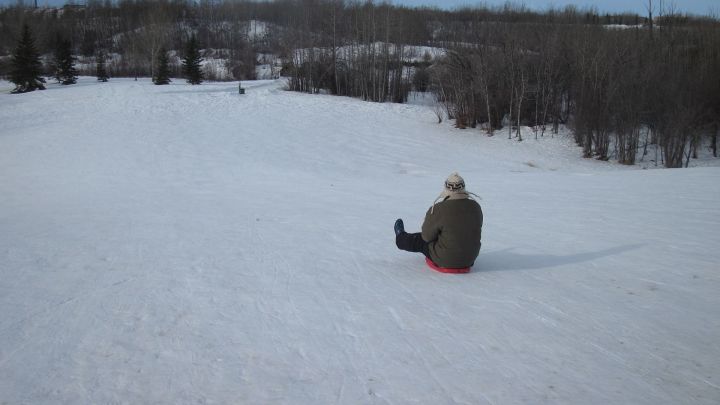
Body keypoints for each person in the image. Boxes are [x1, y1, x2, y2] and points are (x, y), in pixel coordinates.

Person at [395, 172, 483, 269]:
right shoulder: (476, 207)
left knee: (419, 240)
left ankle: (400, 237)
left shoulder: (439, 209)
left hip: (446, 259)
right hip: (470, 258)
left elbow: (426, 237)